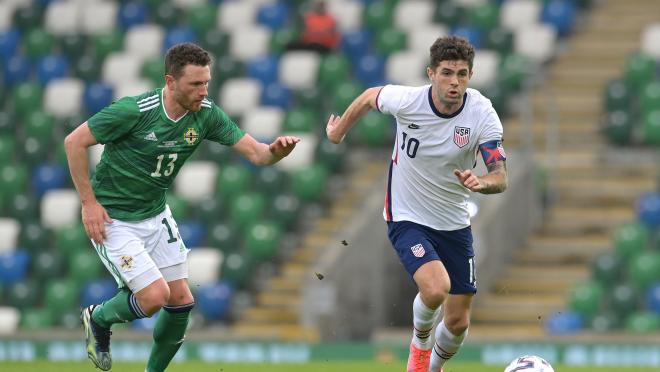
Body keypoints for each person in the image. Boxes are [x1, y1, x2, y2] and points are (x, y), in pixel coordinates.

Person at [64, 42, 300, 372]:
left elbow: (258, 154)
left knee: (182, 302)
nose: (203, 91)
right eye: (195, 84)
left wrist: (275, 151)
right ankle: (98, 318)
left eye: (206, 82)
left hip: (156, 215)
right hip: (113, 219)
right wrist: (88, 204)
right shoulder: (134, 111)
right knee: (154, 298)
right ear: (170, 82)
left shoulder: (206, 115)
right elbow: (74, 141)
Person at [325, 36, 507, 372]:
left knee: (457, 323)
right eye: (448, 73)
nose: (455, 82)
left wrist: (482, 183)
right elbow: (369, 97)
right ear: (431, 74)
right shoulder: (408, 100)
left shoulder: (482, 113)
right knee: (436, 288)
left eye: (463, 74)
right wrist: (339, 133)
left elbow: (500, 174)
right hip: (406, 216)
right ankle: (419, 348)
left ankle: (432, 367)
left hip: (454, 222)